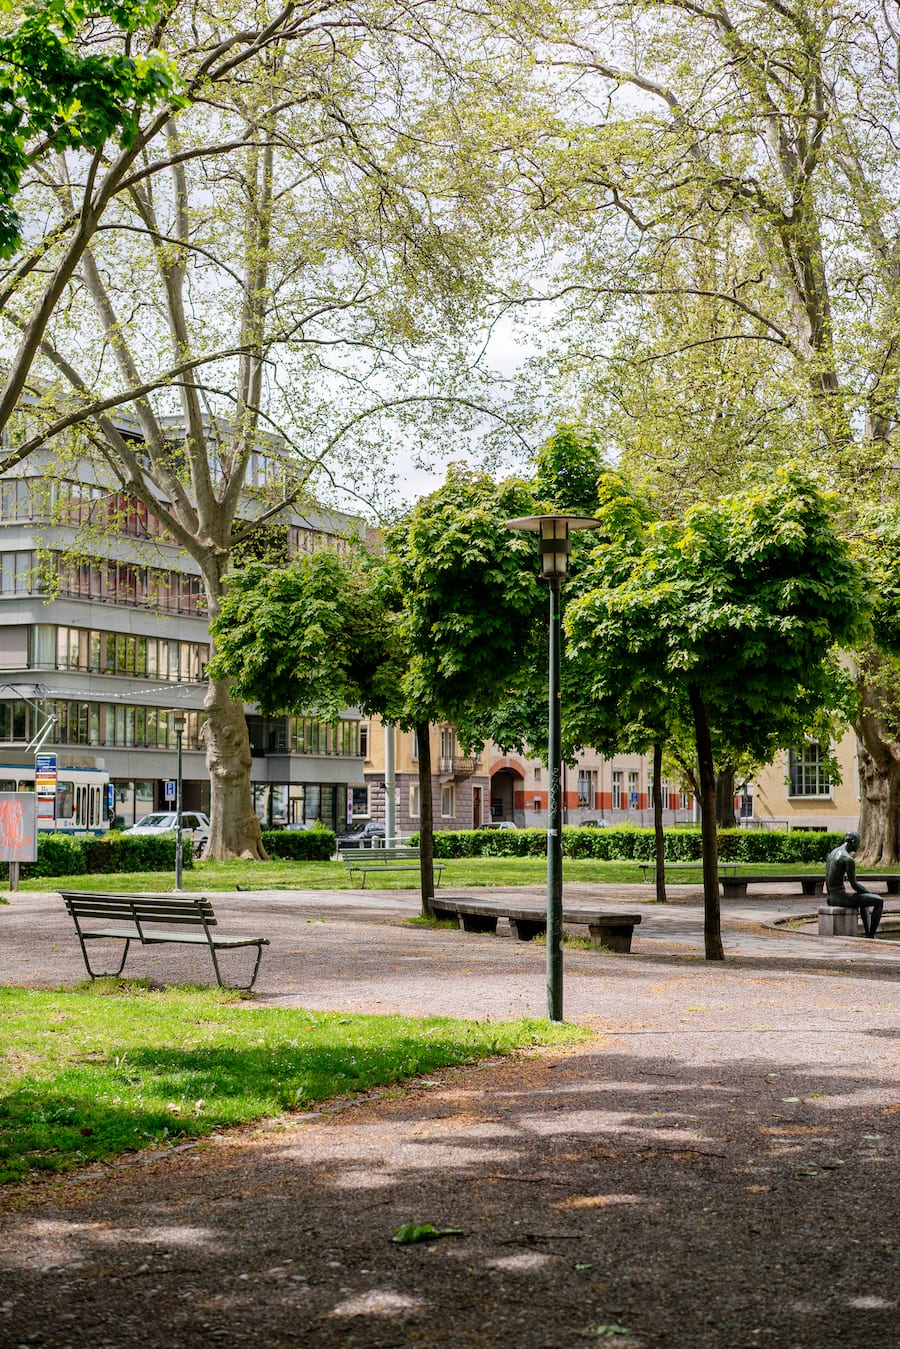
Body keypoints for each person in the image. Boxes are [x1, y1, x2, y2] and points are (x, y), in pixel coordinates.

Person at [825, 832, 883, 938]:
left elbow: (826, 879)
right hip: (839, 898)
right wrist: (868, 892)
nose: (859, 846)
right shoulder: (847, 859)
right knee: (879, 901)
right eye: (858, 843)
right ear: (853, 842)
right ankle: (871, 936)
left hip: (830, 898)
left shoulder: (832, 854)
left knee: (864, 901)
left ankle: (869, 934)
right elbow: (854, 885)